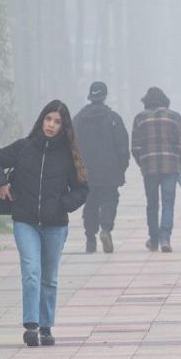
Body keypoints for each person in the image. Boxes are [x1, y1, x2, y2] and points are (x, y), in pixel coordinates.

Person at [0, 101, 89, 347]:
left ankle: (46, 326)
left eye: (57, 121)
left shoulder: (68, 155)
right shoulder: (23, 148)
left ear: (64, 127)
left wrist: (64, 204)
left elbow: (82, 188)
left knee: (49, 278)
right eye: (48, 119)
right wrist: (0, 183)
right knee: (31, 272)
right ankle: (31, 326)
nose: (51, 125)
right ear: (41, 120)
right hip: (25, 221)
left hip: (55, 225)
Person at [72, 81, 130, 254]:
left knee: (90, 203)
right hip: (109, 170)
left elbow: (70, 145)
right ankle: (105, 229)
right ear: (105, 96)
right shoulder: (113, 118)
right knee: (110, 200)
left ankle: (90, 239)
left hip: (86, 171)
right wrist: (122, 167)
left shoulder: (79, 119)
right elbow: (122, 146)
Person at [130, 86, 181, 253]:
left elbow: (135, 147)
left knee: (152, 204)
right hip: (170, 166)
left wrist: (143, 162)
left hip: (149, 168)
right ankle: (165, 238)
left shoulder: (139, 118)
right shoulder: (174, 117)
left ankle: (153, 239)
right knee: (168, 203)